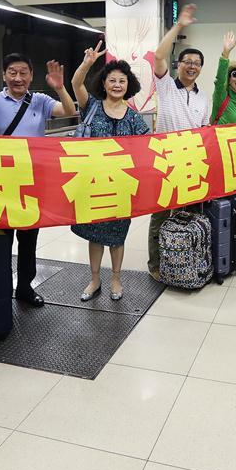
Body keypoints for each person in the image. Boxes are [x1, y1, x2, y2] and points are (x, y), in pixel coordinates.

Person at [0, 51, 76, 307]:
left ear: (32, 76)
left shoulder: (41, 100)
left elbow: (68, 111)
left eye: (23, 73)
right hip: (0, 182)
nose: (18, 78)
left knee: (28, 239)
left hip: (32, 183)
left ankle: (24, 288)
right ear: (3, 75)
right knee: (0, 240)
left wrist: (60, 87)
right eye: (12, 72)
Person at [71, 45, 150, 301]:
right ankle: (94, 279)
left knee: (117, 236)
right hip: (93, 184)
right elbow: (75, 82)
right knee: (94, 235)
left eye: (122, 81)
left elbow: (148, 148)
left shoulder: (135, 118)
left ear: (129, 86)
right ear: (103, 84)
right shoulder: (90, 106)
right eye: (112, 80)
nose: (117, 84)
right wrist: (87, 63)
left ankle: (115, 279)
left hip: (121, 186)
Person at [147, 4, 211, 279]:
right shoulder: (167, 86)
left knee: (191, 213)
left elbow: (205, 131)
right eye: (187, 62)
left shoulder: (204, 97)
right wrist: (179, 26)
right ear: (179, 65)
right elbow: (158, 55)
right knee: (160, 214)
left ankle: (186, 260)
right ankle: (156, 265)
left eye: (197, 64)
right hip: (165, 159)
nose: (192, 67)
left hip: (192, 161)